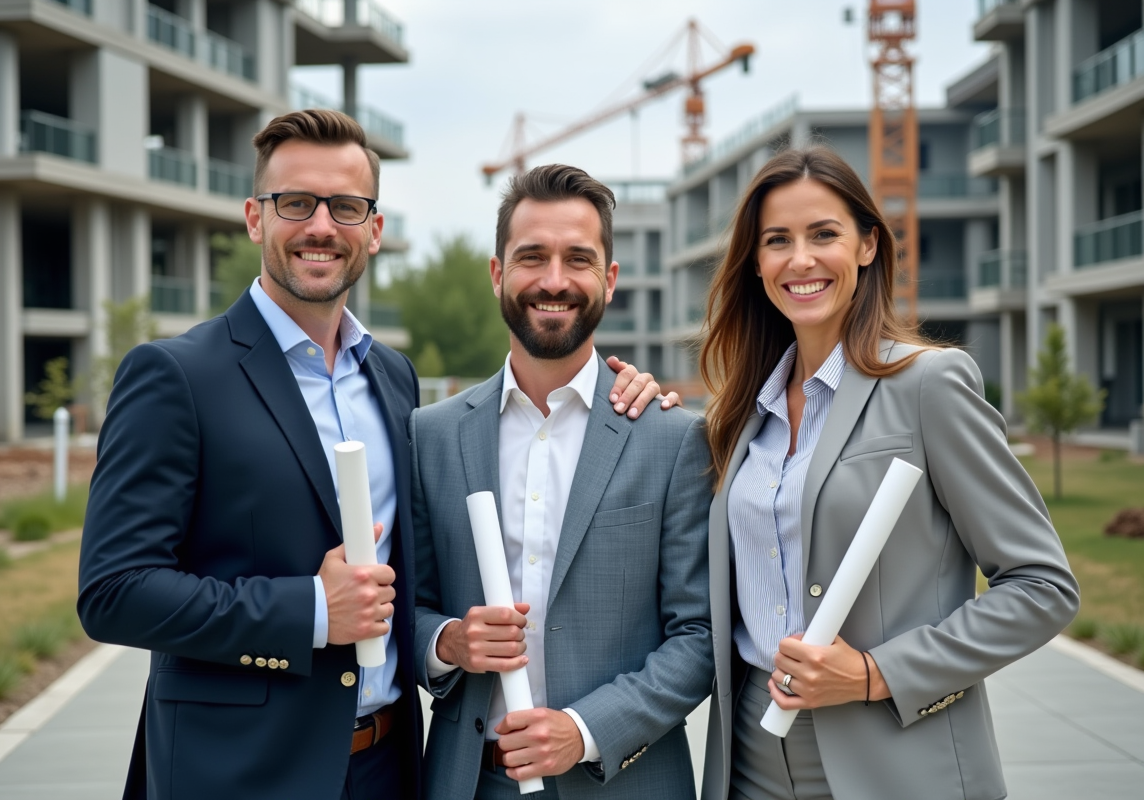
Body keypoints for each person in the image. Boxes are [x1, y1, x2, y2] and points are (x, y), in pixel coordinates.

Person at [77, 110, 668, 800]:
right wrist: (312, 612)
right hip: (236, 771)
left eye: (347, 206)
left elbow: (419, 580)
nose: (322, 226)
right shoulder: (176, 375)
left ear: (375, 230)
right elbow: (113, 592)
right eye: (295, 203)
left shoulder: (393, 379)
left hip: (387, 769)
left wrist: (615, 395)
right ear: (254, 218)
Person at [698, 146, 1080, 800]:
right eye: (777, 241)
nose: (801, 259)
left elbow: (1043, 587)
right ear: (755, 263)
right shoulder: (738, 413)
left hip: (897, 760)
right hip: (749, 760)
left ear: (868, 246)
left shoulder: (928, 385)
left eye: (824, 234)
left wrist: (876, 672)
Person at [412, 164, 715, 800]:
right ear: (498, 274)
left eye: (578, 258)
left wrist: (584, 730)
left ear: (608, 279)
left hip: (624, 782)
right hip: (469, 782)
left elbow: (700, 637)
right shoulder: (431, 435)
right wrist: (449, 642)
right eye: (531, 257)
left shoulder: (672, 437)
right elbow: (403, 609)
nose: (554, 280)